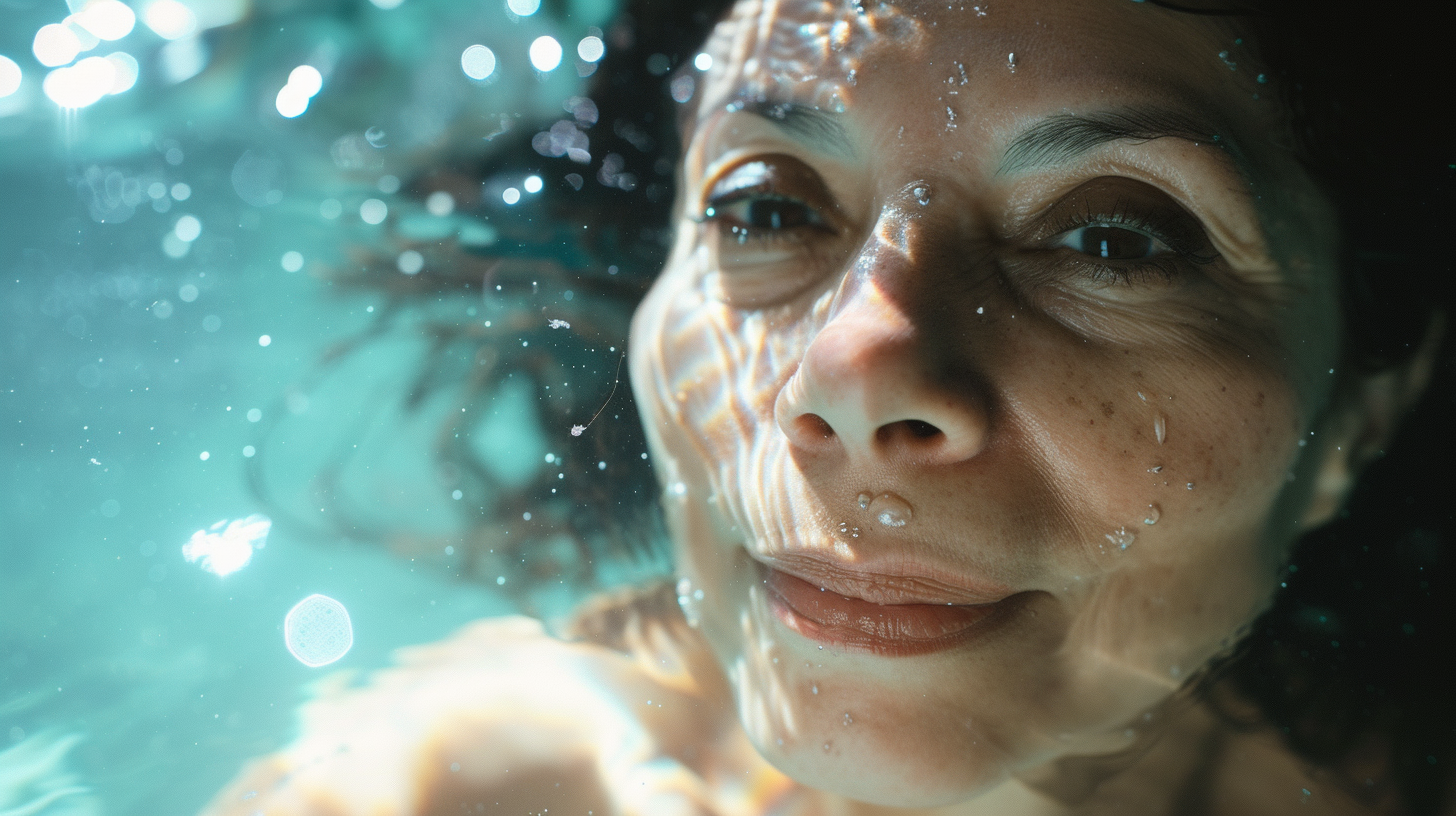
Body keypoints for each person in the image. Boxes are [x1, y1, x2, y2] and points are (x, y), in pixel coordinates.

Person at [204, 0, 1455, 813]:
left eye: (1114, 241)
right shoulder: (453, 784)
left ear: (1362, 406)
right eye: (766, 209)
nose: (857, 368)